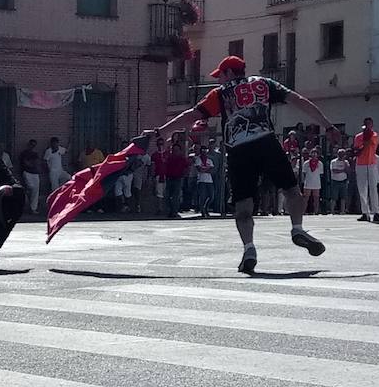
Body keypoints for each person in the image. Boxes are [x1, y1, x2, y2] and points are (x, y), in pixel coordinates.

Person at [146, 55, 340, 273]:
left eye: (221, 75)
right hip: (266, 143)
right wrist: (328, 126)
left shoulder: (220, 94)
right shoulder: (265, 84)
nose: (220, 80)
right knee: (292, 190)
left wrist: (160, 132)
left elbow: (191, 115)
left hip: (238, 151)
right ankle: (297, 229)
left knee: (243, 207)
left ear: (229, 73)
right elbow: (299, 101)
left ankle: (249, 249)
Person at [353, 117, 379, 223]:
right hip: (360, 164)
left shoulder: (375, 135)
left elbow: (369, 143)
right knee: (362, 189)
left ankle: (376, 212)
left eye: (369, 124)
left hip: (371, 163)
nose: (368, 125)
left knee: (373, 189)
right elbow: (356, 149)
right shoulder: (358, 136)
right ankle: (365, 212)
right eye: (366, 124)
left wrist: (363, 142)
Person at [164, 141, 189, 218]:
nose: (175, 152)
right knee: (167, 196)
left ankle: (174, 212)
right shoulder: (169, 158)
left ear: (180, 151)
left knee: (175, 196)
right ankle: (170, 210)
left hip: (178, 179)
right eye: (173, 150)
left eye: (177, 150)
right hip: (169, 178)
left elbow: (187, 168)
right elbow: (165, 167)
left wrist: (183, 176)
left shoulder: (182, 159)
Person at [19, 139, 42, 214]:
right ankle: (29, 202)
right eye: (31, 145)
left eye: (34, 145)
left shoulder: (35, 154)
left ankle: (33, 208)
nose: (32, 146)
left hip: (35, 173)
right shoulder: (24, 153)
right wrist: (31, 164)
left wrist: (35, 166)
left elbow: (37, 162)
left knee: (36, 190)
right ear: (28, 145)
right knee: (30, 187)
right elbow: (25, 163)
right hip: (27, 172)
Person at [300, 148, 324, 215]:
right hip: (308, 182)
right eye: (312, 153)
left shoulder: (320, 163)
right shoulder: (306, 163)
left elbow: (321, 173)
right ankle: (303, 211)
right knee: (305, 198)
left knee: (316, 198)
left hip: (316, 183)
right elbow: (304, 173)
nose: (314, 154)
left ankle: (316, 211)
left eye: (315, 153)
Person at [195, 144, 215, 218]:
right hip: (201, 180)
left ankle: (206, 207)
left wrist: (204, 169)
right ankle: (202, 210)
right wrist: (207, 169)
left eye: (205, 150)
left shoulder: (209, 160)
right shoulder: (198, 159)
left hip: (209, 180)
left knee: (211, 196)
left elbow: (212, 170)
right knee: (202, 196)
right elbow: (199, 169)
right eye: (203, 150)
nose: (204, 152)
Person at [329, 148, 350, 214]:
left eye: (343, 154)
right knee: (334, 197)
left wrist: (345, 164)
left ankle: (342, 211)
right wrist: (343, 170)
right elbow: (334, 170)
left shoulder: (346, 162)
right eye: (340, 154)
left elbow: (348, 170)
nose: (341, 155)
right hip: (335, 181)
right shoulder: (333, 161)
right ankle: (332, 211)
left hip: (343, 181)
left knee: (343, 197)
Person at [150, 137, 168, 215]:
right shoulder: (154, 155)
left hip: (167, 175)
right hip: (158, 175)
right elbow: (153, 166)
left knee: (167, 192)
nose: (160, 145)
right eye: (159, 144)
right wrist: (152, 176)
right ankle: (160, 208)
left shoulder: (167, 154)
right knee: (159, 193)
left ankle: (168, 207)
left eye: (161, 144)